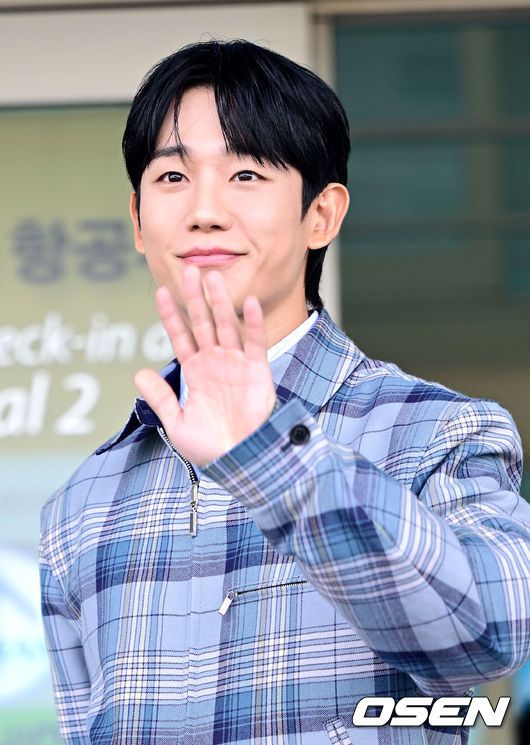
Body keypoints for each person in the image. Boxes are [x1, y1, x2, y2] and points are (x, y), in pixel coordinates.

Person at [40, 39, 530, 745]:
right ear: (138, 221)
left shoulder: (438, 432)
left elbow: (490, 634)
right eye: (173, 176)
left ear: (321, 214)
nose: (204, 210)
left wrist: (274, 456)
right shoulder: (82, 503)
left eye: (245, 173)